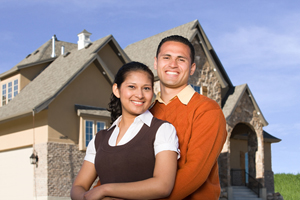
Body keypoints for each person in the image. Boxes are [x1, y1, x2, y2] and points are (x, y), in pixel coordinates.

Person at [70, 62, 180, 200]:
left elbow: (163, 186)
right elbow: (78, 186)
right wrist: (86, 198)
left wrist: (105, 190)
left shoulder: (162, 130)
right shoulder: (100, 139)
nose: (139, 95)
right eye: (132, 87)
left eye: (146, 88)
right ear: (117, 90)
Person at [150, 35, 227, 200]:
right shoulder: (146, 114)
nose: (173, 64)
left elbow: (195, 173)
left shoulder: (207, 110)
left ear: (192, 68)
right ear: (156, 63)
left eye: (181, 59)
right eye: (166, 57)